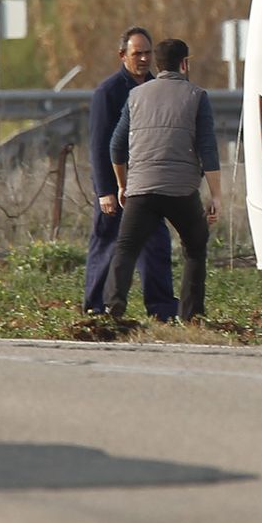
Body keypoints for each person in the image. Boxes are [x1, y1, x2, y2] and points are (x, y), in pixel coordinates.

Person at [105, 38, 221, 324]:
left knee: (126, 247)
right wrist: (215, 196)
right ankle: (191, 315)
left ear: (157, 64)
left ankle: (113, 306)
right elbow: (208, 149)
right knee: (195, 245)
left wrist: (122, 185)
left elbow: (116, 146)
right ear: (185, 63)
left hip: (141, 188)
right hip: (181, 190)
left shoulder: (136, 96)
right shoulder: (196, 96)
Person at [84, 26, 179, 321]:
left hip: (147, 184)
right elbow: (100, 144)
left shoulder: (156, 88)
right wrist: (105, 191)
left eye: (148, 53)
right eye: (137, 53)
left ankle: (161, 309)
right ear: (122, 55)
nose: (143, 59)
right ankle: (95, 306)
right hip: (115, 187)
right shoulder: (108, 92)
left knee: (156, 245)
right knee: (108, 245)